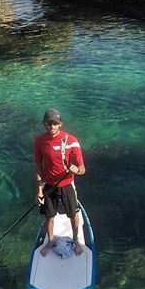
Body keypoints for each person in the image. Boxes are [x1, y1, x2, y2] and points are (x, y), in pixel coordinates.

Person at [34, 109, 86, 257]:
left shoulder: (71, 141)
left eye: (55, 123)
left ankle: (76, 240)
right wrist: (38, 190)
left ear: (60, 124)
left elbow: (82, 169)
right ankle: (50, 241)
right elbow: (38, 166)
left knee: (73, 214)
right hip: (49, 186)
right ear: (44, 124)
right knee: (49, 216)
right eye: (49, 123)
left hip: (67, 183)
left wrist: (76, 170)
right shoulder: (39, 141)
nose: (52, 126)